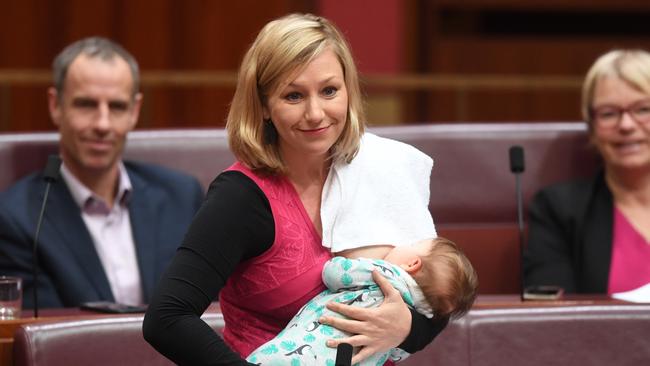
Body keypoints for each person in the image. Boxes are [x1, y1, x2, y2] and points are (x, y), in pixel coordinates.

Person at [143, 13, 450, 366]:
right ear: (263, 107)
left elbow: (436, 290)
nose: (316, 113)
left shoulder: (380, 167)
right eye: (293, 96)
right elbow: (166, 317)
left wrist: (406, 328)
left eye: (330, 91)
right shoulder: (241, 197)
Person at [0, 37, 204, 308]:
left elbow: (209, 305)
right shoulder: (18, 219)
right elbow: (44, 335)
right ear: (55, 105)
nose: (102, 124)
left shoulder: (181, 197)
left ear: (135, 111)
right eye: (86, 104)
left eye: (117, 107)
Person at [524, 49, 650, 295]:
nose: (626, 125)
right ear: (591, 128)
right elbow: (551, 315)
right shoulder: (559, 209)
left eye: (643, 109)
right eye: (609, 113)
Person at [247, 237, 478, 366]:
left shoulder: (385, 274)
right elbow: (397, 354)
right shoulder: (416, 314)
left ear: (412, 263)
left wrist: (346, 260)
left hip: (302, 354)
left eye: (414, 242)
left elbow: (335, 273)